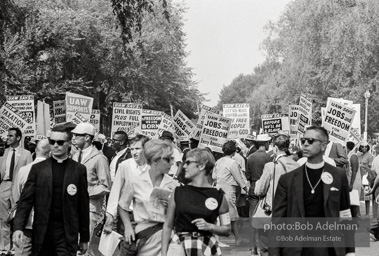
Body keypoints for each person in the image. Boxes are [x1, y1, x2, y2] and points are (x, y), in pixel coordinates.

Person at [270, 126, 354, 256]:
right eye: (303, 141)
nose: (305, 144)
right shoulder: (288, 179)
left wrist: (350, 251)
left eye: (310, 141)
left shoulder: (338, 176)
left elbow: (345, 215)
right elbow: (278, 221)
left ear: (323, 146)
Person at [12, 125, 89, 256]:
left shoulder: (78, 170)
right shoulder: (38, 169)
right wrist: (18, 227)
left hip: (67, 234)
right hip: (43, 232)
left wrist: (85, 237)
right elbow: (25, 201)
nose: (55, 145)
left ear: (69, 143)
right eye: (52, 142)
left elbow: (82, 205)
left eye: (60, 142)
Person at [161, 148, 231, 256]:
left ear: (202, 166)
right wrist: (164, 253)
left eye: (188, 163)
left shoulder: (218, 196)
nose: (184, 166)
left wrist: (210, 226)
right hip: (179, 247)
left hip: (206, 247)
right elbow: (168, 225)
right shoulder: (178, 192)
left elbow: (227, 229)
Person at [118, 139, 177, 255]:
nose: (172, 163)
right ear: (155, 160)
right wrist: (128, 227)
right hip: (144, 236)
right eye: (167, 159)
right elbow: (122, 206)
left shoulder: (174, 184)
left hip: (167, 236)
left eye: (172, 159)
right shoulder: (136, 181)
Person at [253, 131, 299, 255]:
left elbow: (259, 190)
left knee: (267, 248)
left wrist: (258, 183)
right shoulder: (297, 166)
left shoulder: (270, 166)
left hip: (272, 213)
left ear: (275, 147)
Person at [103, 135, 150, 255]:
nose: (134, 152)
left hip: (149, 218)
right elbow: (116, 190)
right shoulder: (125, 165)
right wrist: (110, 216)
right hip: (129, 217)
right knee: (127, 249)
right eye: (132, 149)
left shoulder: (154, 166)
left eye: (138, 149)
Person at [71, 123, 111, 256]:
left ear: (87, 137)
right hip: (73, 206)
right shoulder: (75, 156)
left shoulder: (100, 158)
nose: (74, 138)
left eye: (77, 135)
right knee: (76, 245)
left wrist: (85, 192)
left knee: (83, 245)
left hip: (90, 208)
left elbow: (106, 186)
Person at [12, 139, 51, 256]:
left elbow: (16, 196)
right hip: (47, 224)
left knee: (23, 252)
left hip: (25, 222)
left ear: (36, 151)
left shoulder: (23, 170)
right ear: (50, 153)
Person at [0, 128, 32, 255]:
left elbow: (30, 172)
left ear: (18, 138)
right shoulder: (4, 153)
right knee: (3, 218)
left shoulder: (26, 154)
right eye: (7, 135)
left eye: (11, 136)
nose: (8, 138)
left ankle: (15, 248)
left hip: (19, 187)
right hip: (4, 185)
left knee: (17, 217)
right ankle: (4, 248)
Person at [212, 140, 248, 246]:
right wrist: (247, 190)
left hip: (218, 190)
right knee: (232, 214)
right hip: (229, 191)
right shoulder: (232, 163)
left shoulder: (218, 161)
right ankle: (237, 238)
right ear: (234, 152)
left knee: (221, 214)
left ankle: (233, 238)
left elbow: (214, 176)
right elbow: (240, 179)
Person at [246, 134, 271, 254]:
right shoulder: (269, 157)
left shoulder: (250, 157)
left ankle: (253, 247)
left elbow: (248, 176)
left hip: (253, 188)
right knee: (264, 217)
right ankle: (263, 247)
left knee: (252, 218)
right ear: (266, 144)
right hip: (265, 190)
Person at [346, 141, 361, 218]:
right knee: (350, 202)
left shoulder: (353, 156)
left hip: (354, 182)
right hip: (349, 181)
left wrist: (351, 184)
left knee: (354, 202)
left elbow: (354, 170)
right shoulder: (348, 155)